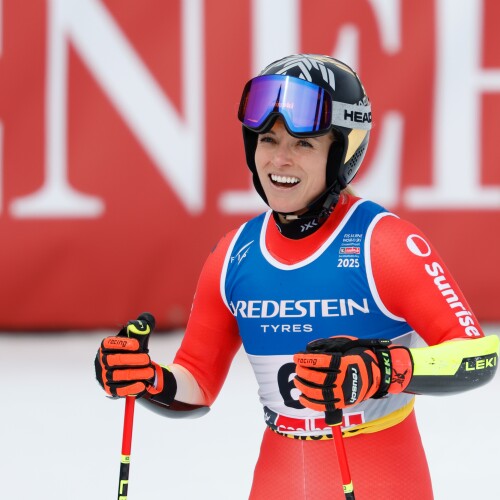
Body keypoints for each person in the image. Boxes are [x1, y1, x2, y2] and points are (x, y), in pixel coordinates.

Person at [95, 54, 499, 499]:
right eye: (268, 139)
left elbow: (478, 356)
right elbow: (196, 383)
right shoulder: (234, 255)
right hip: (279, 476)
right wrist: (145, 378)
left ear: (341, 152)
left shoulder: (384, 244)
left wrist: (382, 369)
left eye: (304, 144)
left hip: (381, 476)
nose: (280, 159)